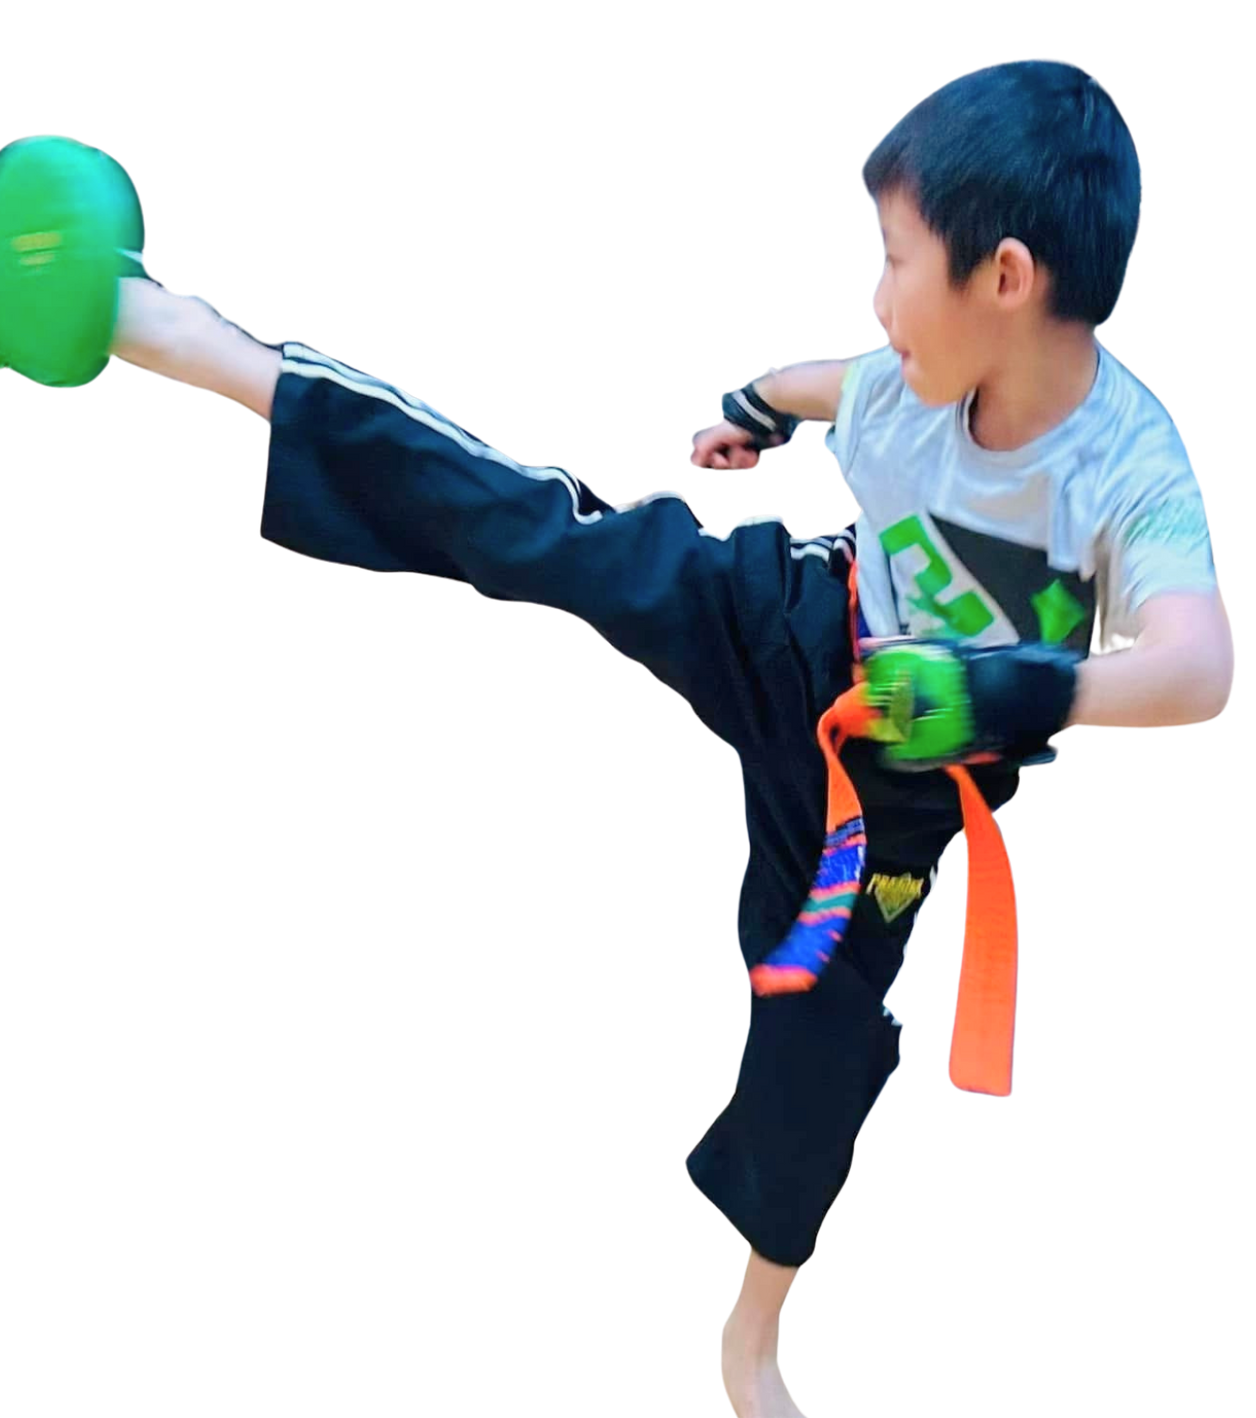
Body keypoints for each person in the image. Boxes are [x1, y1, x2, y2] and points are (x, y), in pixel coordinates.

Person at [102, 61, 1229, 1418]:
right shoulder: (913, 376)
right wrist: (757, 406)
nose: (878, 296)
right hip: (794, 625)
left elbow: (1196, 668)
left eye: (894, 259)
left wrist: (1019, 696)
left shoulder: (1129, 468)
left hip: (902, 785)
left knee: (818, 1048)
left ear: (1004, 277)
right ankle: (205, 348)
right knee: (547, 530)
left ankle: (751, 1336)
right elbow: (839, 382)